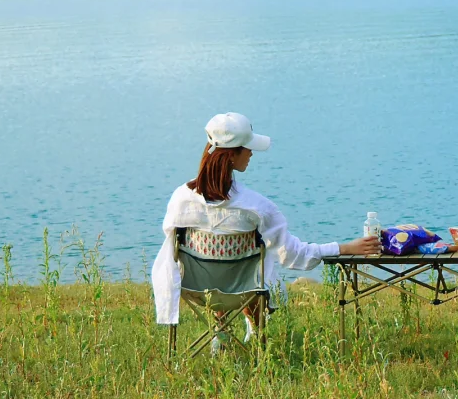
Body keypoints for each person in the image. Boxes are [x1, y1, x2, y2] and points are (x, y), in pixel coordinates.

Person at [152, 111, 379, 330]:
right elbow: (292, 254)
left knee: (219, 260)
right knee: (252, 268)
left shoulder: (181, 199)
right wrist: (345, 248)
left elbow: (173, 246)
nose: (251, 154)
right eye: (248, 148)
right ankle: (255, 335)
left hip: (195, 290)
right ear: (232, 156)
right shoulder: (257, 207)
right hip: (244, 292)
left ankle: (220, 333)